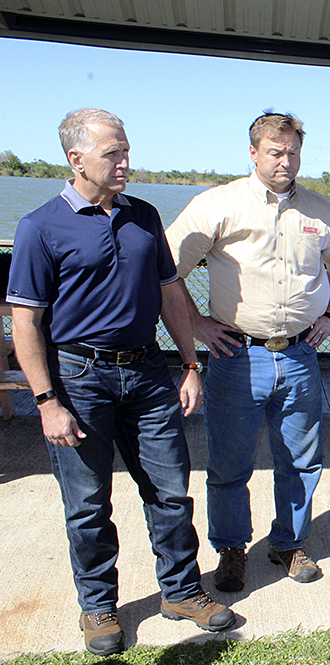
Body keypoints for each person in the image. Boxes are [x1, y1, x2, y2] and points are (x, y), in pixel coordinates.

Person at [6, 108, 234, 656]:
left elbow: (171, 293)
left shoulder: (144, 216)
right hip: (78, 380)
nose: (125, 162)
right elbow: (26, 321)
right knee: (87, 503)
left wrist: (189, 363)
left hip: (149, 373)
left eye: (126, 150)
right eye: (113, 153)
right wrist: (45, 401)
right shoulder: (39, 227)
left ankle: (180, 591)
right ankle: (98, 606)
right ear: (76, 158)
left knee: (171, 492)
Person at [165, 112, 330, 592]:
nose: (286, 160)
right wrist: (200, 324)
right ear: (253, 152)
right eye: (275, 151)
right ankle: (231, 549)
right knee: (229, 463)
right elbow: (168, 268)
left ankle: (288, 544)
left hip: (300, 356)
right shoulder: (218, 205)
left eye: (292, 151)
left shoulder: (320, 211)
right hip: (235, 355)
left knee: (302, 459)